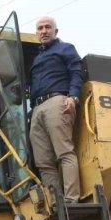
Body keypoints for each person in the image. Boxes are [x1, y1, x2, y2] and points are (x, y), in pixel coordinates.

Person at [29, 16, 83, 204]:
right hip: (37, 108)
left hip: (57, 101)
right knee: (43, 162)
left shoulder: (65, 48)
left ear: (55, 31)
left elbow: (76, 72)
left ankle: (70, 199)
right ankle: (55, 203)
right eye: (40, 28)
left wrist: (73, 97)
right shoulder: (37, 58)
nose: (44, 31)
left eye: (47, 27)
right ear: (36, 33)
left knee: (64, 153)